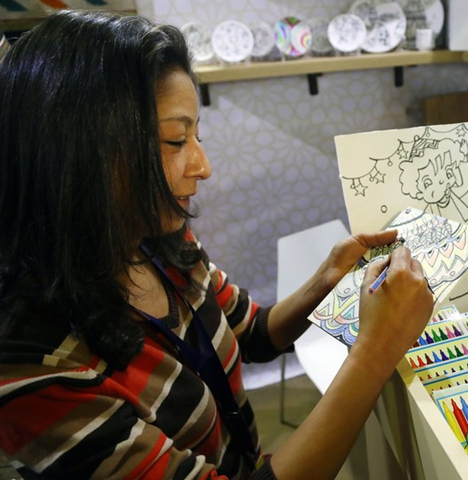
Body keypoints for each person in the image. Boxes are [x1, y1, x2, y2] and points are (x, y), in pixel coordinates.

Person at [0, 10, 434, 480]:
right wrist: (373, 352)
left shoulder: (160, 241)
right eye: (175, 140)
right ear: (78, 151)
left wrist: (327, 278)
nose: (203, 166)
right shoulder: (34, 368)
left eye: (197, 135)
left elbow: (253, 333)